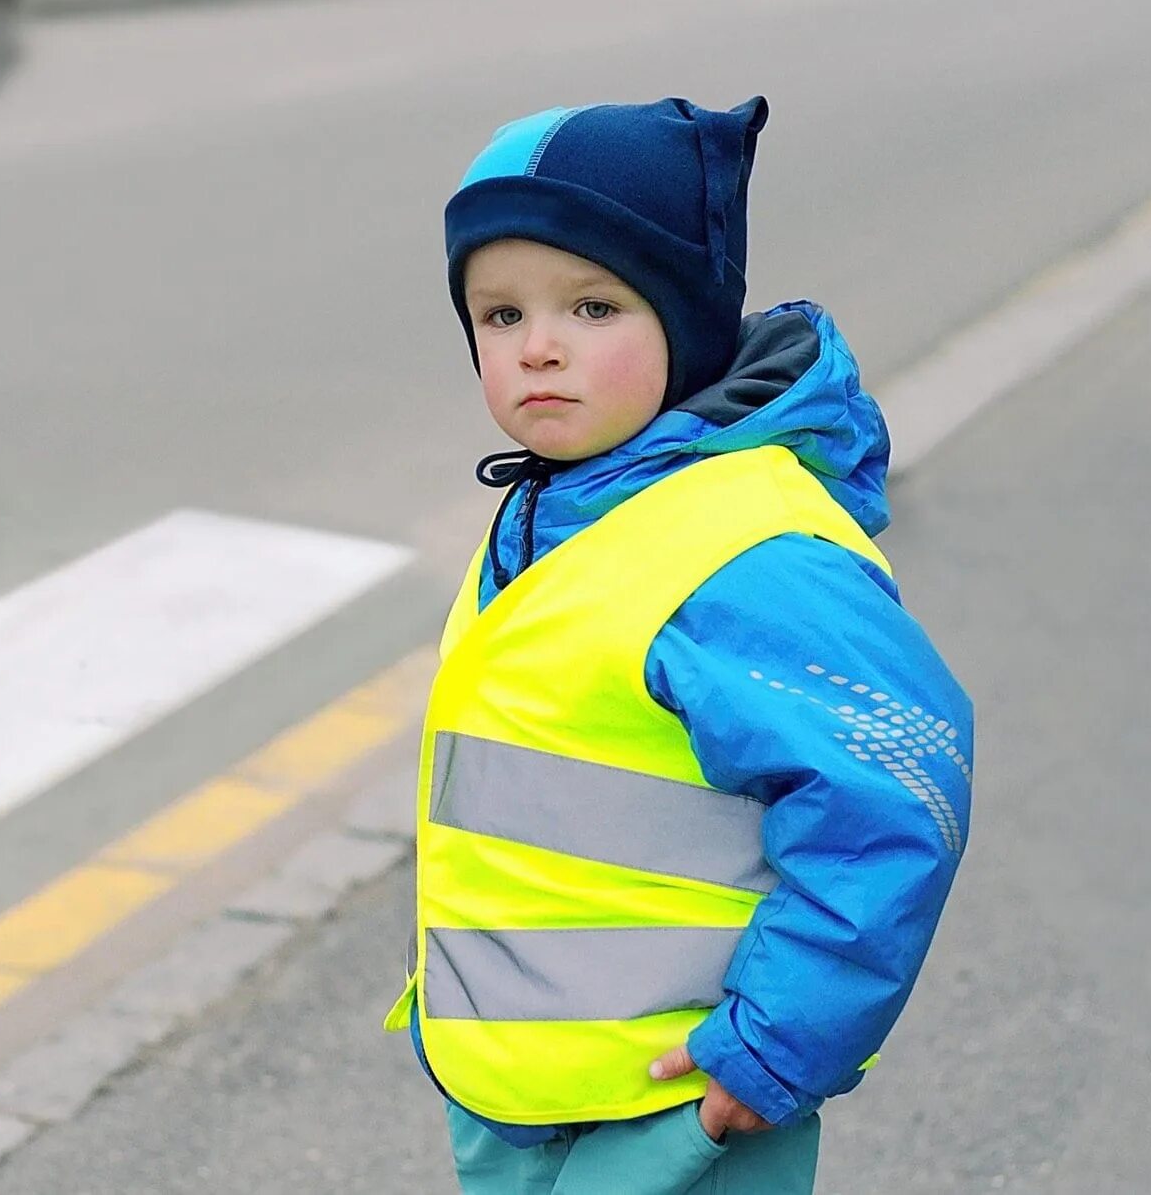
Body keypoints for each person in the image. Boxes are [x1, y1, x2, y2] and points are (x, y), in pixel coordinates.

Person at [383, 97, 974, 1194]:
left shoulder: (742, 554)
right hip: (519, 1101)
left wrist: (779, 1044)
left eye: (593, 305)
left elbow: (893, 793)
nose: (539, 348)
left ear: (687, 320)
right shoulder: (554, 506)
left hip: (672, 1107)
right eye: (498, 314)